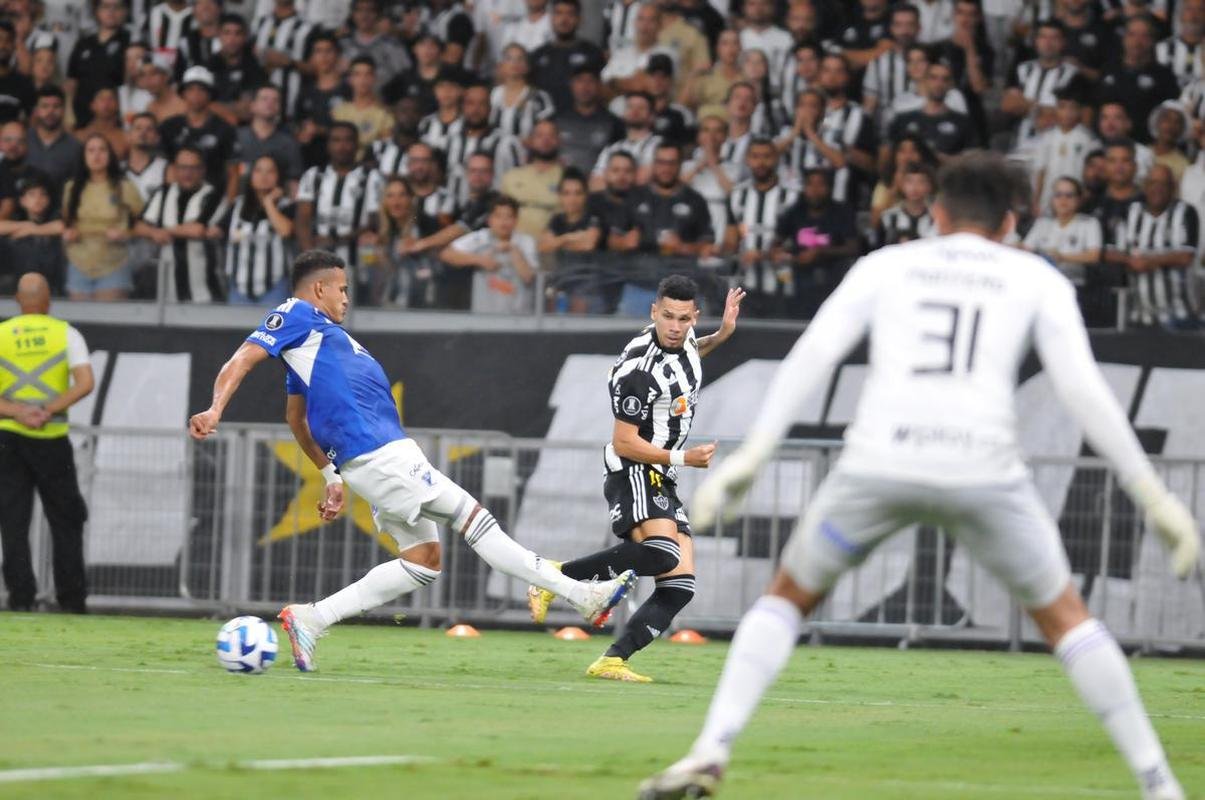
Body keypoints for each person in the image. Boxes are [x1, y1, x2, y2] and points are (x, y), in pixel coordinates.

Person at [637, 152, 1201, 800]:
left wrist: (752, 457)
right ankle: (1160, 786)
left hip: (881, 463)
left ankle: (710, 751)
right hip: (983, 473)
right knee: (1068, 620)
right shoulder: (1033, 277)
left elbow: (812, 355)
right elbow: (1083, 390)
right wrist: (1151, 494)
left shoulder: (887, 265)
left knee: (787, 597)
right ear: (1011, 221)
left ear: (934, 212)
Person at [187, 249, 636, 671]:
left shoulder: (315, 346)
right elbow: (242, 358)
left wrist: (330, 475)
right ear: (319, 289)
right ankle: (582, 595)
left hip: (375, 459)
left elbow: (296, 419)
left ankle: (312, 618)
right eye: (341, 289)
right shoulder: (295, 315)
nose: (346, 298)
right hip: (381, 455)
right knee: (478, 522)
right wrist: (215, 409)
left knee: (423, 561)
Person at [527, 276, 744, 682]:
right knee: (663, 554)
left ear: (694, 316)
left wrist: (724, 333)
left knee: (680, 586)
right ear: (653, 312)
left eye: (683, 318)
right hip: (635, 468)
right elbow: (625, 443)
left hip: (660, 473)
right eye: (667, 317)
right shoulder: (640, 374)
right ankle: (553, 578)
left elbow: (693, 353)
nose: (675, 326)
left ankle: (612, 660)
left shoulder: (687, 340)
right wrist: (684, 456)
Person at [0, 273, 93, 614]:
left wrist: (19, 413)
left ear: (17, 300)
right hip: (52, 440)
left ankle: (20, 598)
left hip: (8, 439)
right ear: (48, 300)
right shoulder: (66, 333)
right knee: (67, 520)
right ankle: (72, 600)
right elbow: (85, 382)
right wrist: (46, 410)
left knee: (13, 521)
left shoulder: (2, 335)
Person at [134, 145, 229, 303]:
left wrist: (163, 231)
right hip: (168, 294)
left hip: (206, 293)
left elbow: (197, 230)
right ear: (174, 169)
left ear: (203, 170)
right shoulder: (163, 193)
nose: (187, 173)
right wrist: (153, 233)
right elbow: (138, 226)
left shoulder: (213, 195)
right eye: (183, 167)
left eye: (194, 167)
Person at [61, 133, 144, 300]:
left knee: (110, 321)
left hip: (114, 263)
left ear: (110, 155)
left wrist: (124, 234)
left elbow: (142, 225)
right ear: (83, 156)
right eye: (91, 151)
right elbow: (67, 222)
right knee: (79, 322)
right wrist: (68, 233)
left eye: (102, 150)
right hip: (79, 261)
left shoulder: (124, 186)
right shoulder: (71, 187)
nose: (96, 155)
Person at [439, 194, 538, 314]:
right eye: (498, 216)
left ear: (516, 220)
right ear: (489, 220)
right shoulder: (480, 238)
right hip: (484, 317)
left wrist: (514, 250)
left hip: (519, 317)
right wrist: (479, 260)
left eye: (509, 216)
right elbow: (446, 254)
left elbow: (528, 277)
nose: (504, 221)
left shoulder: (526, 241)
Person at [224, 154, 294, 306]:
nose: (264, 176)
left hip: (274, 287)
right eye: (258, 171)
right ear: (250, 175)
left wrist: (268, 202)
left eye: (270, 171)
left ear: (279, 176)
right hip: (238, 287)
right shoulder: (236, 206)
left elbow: (285, 230)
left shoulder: (286, 206)